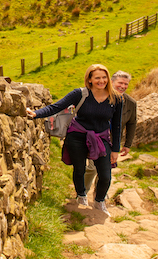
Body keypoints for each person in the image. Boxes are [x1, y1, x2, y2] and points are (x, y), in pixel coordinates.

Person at [26, 64, 122, 222]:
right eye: (97, 77)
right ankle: (81, 195)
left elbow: (117, 125)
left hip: (101, 138)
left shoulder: (116, 98)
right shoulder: (80, 94)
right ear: (89, 79)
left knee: (105, 175)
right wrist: (36, 113)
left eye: (104, 77)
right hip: (77, 136)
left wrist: (115, 149)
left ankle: (99, 201)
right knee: (80, 169)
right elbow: (57, 106)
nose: (101, 81)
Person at [84, 71, 138, 195]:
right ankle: (82, 192)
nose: (123, 86)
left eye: (126, 84)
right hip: (94, 139)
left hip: (112, 142)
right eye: (120, 83)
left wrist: (127, 144)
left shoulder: (131, 103)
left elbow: (131, 123)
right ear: (112, 82)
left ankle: (100, 192)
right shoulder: (99, 96)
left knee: (105, 169)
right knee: (92, 168)